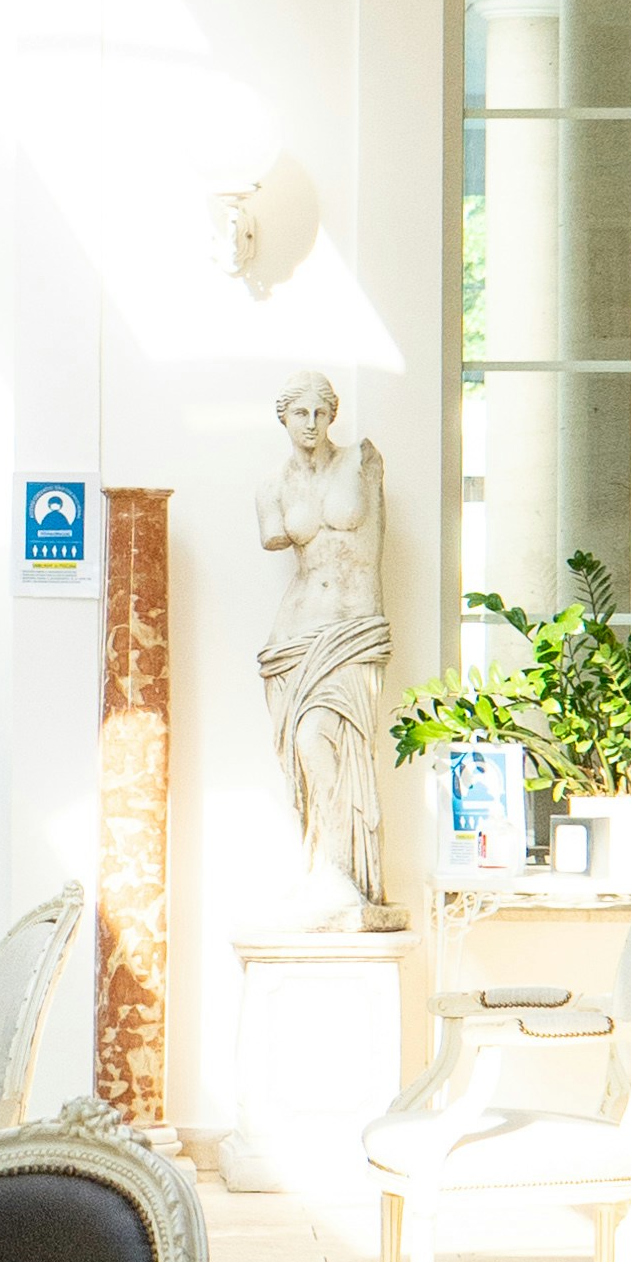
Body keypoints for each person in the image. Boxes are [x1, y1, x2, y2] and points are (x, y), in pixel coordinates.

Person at [257, 374, 389, 925]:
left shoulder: (361, 459)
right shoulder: (272, 488)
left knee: (323, 741)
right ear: (283, 418)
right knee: (305, 756)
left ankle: (345, 872)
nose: (311, 423)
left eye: (320, 412)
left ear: (332, 415)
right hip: (294, 637)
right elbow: (274, 536)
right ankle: (324, 871)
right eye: (299, 413)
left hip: (352, 632)